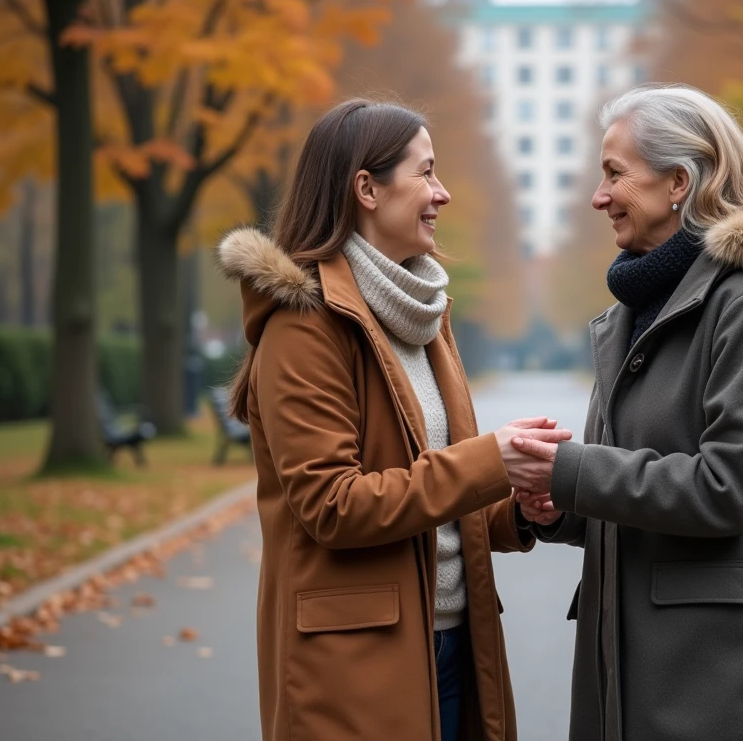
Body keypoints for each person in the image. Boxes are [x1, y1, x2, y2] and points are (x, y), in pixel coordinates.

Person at [217, 98, 570, 741]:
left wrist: (516, 508)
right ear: (367, 189)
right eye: (427, 172)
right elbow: (334, 505)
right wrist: (491, 460)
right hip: (358, 664)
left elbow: (433, 495)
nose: (444, 193)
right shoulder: (305, 325)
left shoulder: (422, 314)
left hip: (457, 646)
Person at [514, 84, 743, 741]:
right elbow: (640, 487)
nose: (598, 195)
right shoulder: (637, 314)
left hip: (724, 680)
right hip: (635, 668)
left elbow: (732, 489)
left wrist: (573, 471)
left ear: (678, 181)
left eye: (615, 173)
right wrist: (561, 507)